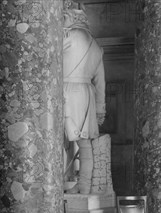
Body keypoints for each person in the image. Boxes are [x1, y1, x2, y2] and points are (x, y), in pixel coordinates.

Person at [62, 9, 106, 194]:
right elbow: (101, 82)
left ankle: (54, 186)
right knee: (85, 145)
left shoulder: (67, 36)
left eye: (64, 17)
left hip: (66, 92)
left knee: (59, 140)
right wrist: (100, 109)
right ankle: (84, 187)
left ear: (72, 17)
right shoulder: (95, 45)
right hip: (87, 95)